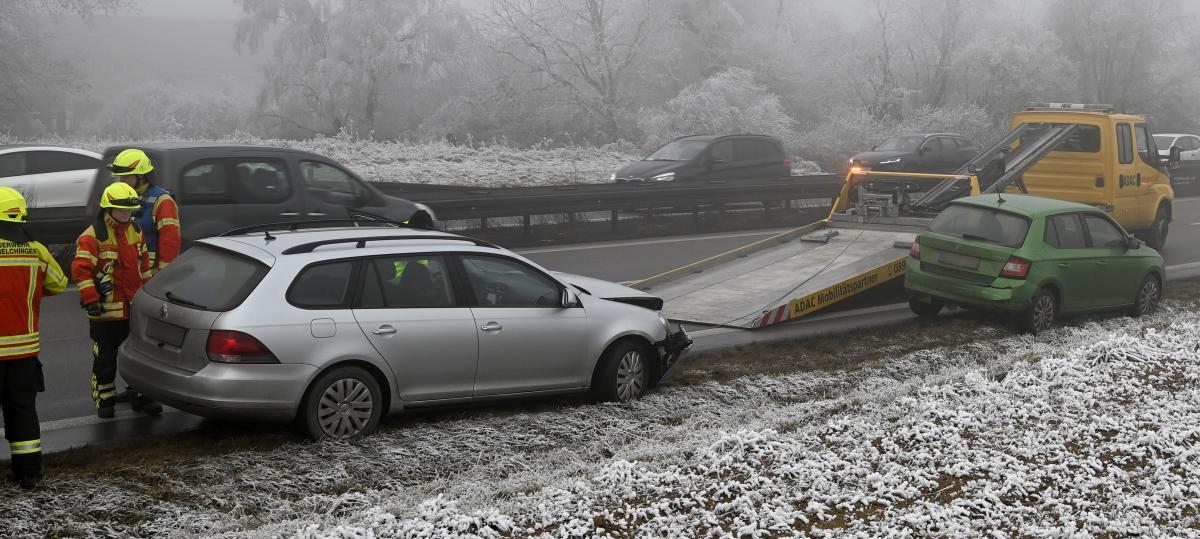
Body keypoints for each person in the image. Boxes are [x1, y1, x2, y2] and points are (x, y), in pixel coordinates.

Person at [73, 182, 162, 418]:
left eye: (129, 210)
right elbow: (81, 271)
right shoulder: (92, 236)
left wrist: (148, 297)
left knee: (140, 358)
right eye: (121, 209)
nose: (126, 214)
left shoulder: (136, 231)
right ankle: (105, 401)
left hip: (133, 309)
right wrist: (90, 298)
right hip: (104, 313)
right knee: (105, 360)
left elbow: (144, 267)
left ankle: (143, 397)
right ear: (108, 208)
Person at [0, 187, 67, 489]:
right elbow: (59, 284)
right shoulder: (36, 250)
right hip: (24, 352)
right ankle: (28, 474)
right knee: (23, 411)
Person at [107, 149, 180, 405]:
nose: (121, 181)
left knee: (148, 339)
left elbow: (170, 242)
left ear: (141, 175)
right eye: (119, 176)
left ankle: (149, 394)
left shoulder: (162, 200)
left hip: (150, 281)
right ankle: (135, 387)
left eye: (125, 176)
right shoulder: (122, 197)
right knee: (131, 336)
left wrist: (160, 278)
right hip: (127, 280)